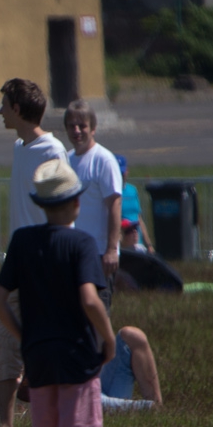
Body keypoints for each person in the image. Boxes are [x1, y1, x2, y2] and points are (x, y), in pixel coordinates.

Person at [0, 160, 116, 427]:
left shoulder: (23, 241)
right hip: (77, 358)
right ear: (77, 203)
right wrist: (108, 338)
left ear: (42, 204)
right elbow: (89, 299)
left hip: (39, 358)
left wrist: (24, 334)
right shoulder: (82, 243)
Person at [0, 78, 66, 427]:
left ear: (17, 108)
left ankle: (53, 421)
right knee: (3, 343)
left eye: (4, 104)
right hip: (17, 260)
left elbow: (66, 209)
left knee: (43, 347)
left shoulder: (52, 151)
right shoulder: (20, 147)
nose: (0, 110)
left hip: (44, 263)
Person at [64, 100, 123, 308]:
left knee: (97, 312)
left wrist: (111, 249)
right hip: (72, 253)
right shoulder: (66, 160)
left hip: (98, 253)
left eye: (82, 126)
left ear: (93, 128)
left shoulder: (104, 160)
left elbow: (114, 204)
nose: (77, 131)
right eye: (71, 126)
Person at [100, 326, 162, 410]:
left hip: (97, 378)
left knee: (133, 336)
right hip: (83, 390)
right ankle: (148, 408)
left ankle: (158, 407)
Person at [116, 155, 153, 252]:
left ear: (127, 172)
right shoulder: (112, 193)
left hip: (137, 243)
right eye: (117, 173)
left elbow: (139, 218)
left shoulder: (132, 190)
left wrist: (148, 244)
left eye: (122, 173)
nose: (120, 176)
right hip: (122, 244)